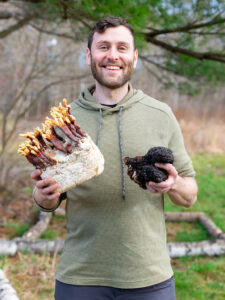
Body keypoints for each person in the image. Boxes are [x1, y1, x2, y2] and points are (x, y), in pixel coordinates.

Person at [31, 17, 198, 300]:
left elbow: (190, 194)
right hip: (80, 279)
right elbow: (49, 198)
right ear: (88, 55)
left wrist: (174, 184)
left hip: (149, 278)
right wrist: (43, 196)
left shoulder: (160, 114)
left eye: (122, 48)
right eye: (103, 47)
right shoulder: (63, 120)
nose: (112, 55)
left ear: (134, 57)